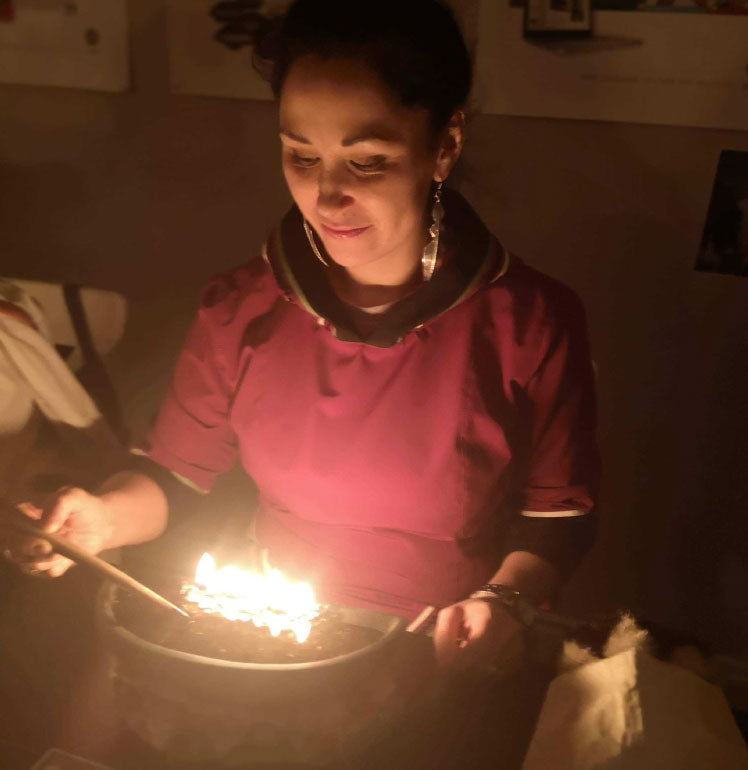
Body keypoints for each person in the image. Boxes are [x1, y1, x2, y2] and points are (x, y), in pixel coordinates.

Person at [2, 0, 599, 670]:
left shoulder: (530, 323)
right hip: (271, 648)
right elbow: (173, 477)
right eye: (300, 155)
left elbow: (557, 523)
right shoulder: (244, 307)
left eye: (367, 161)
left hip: (438, 652)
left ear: (445, 145)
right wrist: (100, 519)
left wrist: (503, 603)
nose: (326, 195)